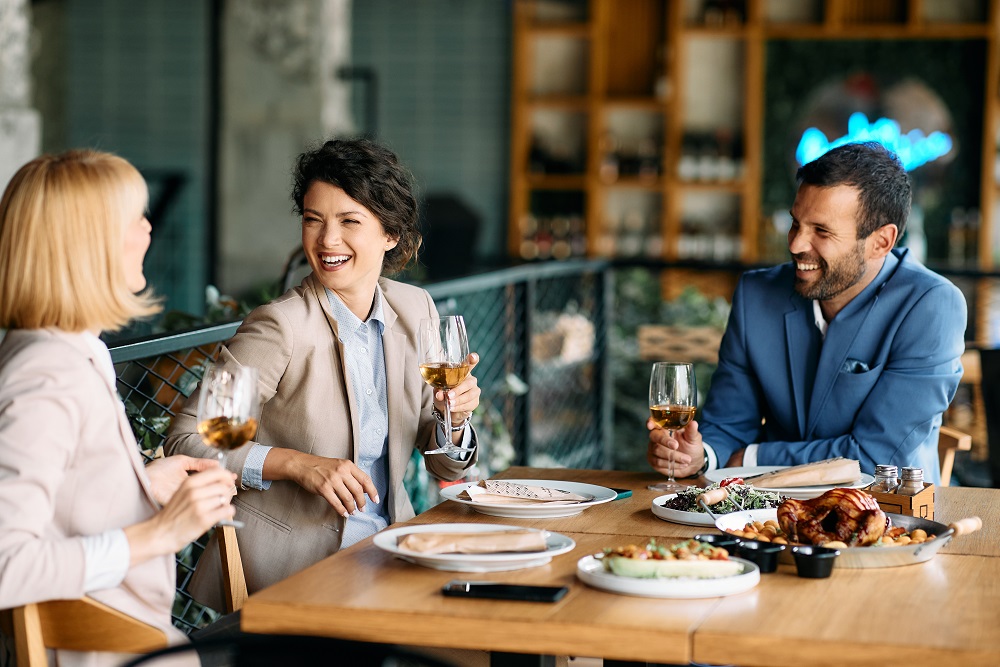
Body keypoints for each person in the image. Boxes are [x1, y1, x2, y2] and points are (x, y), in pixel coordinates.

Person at [164, 138, 481, 610]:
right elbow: (190, 439)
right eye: (314, 220)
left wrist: (451, 418)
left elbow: (446, 464)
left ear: (390, 234)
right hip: (294, 573)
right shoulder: (283, 326)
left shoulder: (416, 310)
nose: (327, 240)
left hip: (395, 554)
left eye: (349, 221)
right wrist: (296, 464)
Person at [0, 150, 237, 666]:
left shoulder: (68, 349)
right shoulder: (47, 372)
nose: (149, 230)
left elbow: (60, 503)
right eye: (133, 218)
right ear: (88, 244)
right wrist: (159, 533)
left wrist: (142, 486)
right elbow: (5, 565)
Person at [648, 141, 966, 485]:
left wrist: (753, 457)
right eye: (795, 223)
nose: (796, 244)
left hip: (886, 519)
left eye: (822, 231)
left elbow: (879, 456)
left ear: (881, 242)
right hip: (762, 516)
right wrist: (699, 455)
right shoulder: (756, 295)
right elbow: (728, 422)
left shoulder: (933, 306)